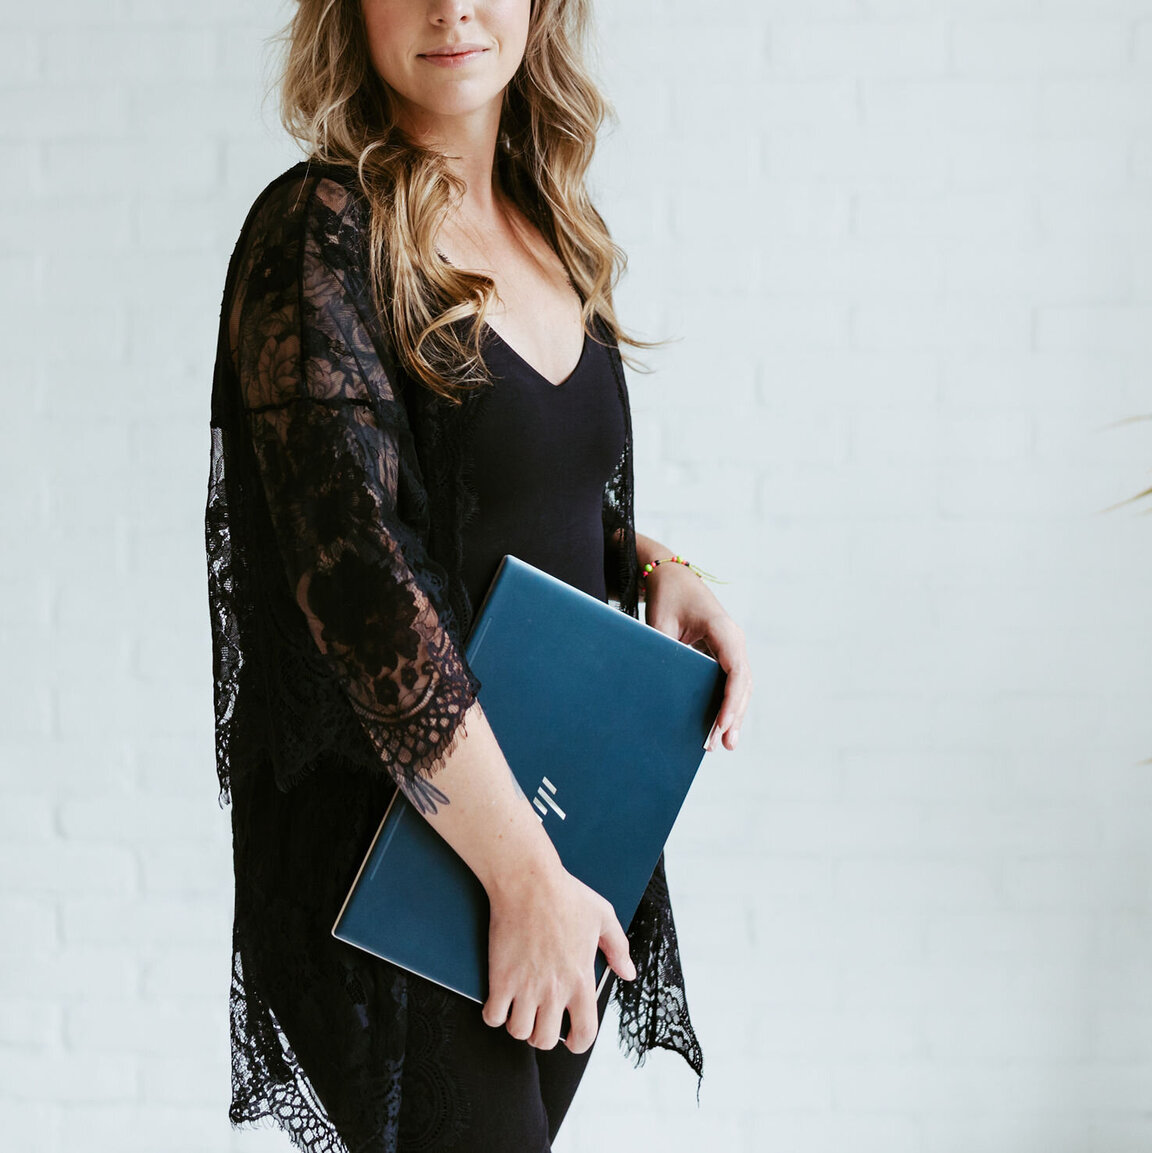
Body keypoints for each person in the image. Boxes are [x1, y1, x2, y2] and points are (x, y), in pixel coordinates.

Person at [203, 1, 753, 1150]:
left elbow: (501, 494)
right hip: (408, 854)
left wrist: (657, 564)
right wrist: (523, 879)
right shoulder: (318, 230)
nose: (453, 6)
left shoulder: (550, 224)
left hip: (549, 828)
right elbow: (353, 572)